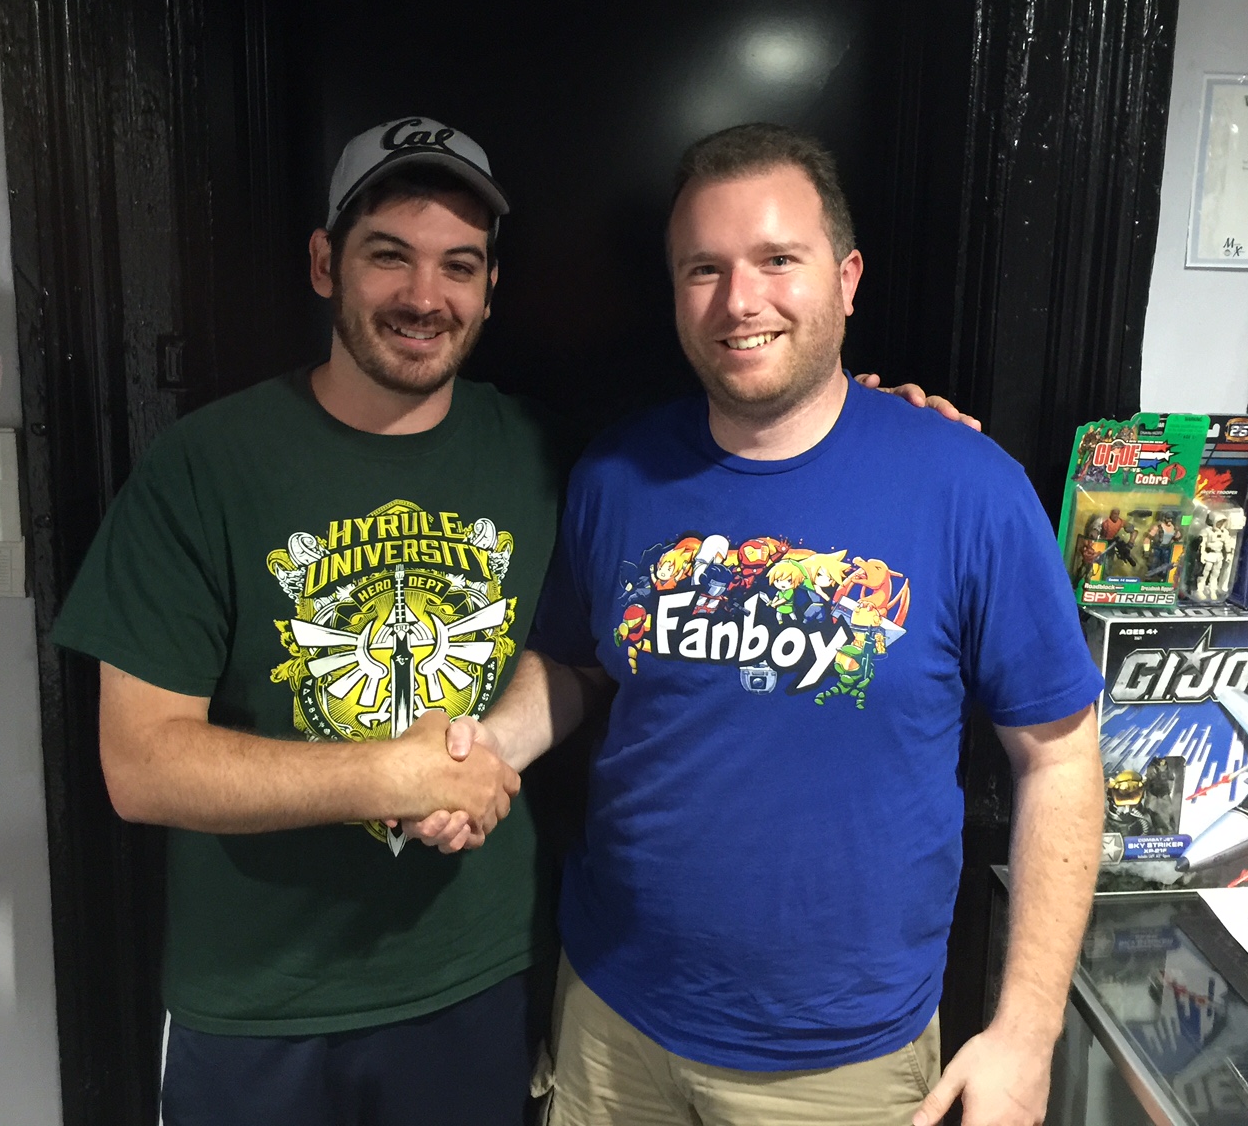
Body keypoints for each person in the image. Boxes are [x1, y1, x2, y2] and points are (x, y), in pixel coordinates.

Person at [51, 116, 972, 1126]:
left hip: (480, 985)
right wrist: (387, 776)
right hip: (256, 1002)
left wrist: (870, 420)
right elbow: (140, 764)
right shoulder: (204, 466)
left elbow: (605, 640)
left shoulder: (556, 458)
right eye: (387, 255)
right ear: (324, 264)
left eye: (459, 265)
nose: (424, 295)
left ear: (490, 288)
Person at [416, 123, 1105, 1126]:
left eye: (778, 259)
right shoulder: (617, 475)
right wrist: (481, 754)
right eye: (704, 268)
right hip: (613, 1021)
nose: (740, 301)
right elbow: (575, 664)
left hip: (841, 1064)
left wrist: (1027, 1034)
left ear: (847, 279)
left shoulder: (970, 489)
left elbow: (1061, 757)